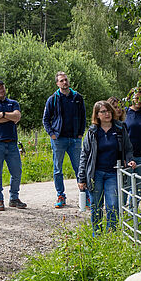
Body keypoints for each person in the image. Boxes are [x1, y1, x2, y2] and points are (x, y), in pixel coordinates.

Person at [78, 100, 136, 234]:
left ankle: (112, 234)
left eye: (109, 110)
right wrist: (81, 177)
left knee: (113, 205)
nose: (107, 114)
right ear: (97, 115)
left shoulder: (120, 128)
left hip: (113, 173)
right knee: (96, 206)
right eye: (103, 112)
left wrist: (130, 160)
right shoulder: (92, 132)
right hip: (95, 173)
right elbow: (84, 155)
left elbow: (128, 149)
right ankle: (97, 234)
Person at [43, 71, 87, 209]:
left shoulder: (77, 97)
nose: (64, 82)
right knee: (58, 169)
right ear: (57, 83)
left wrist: (80, 134)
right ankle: (60, 195)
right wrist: (52, 134)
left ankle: (85, 196)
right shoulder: (53, 99)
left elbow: (83, 117)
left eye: (66, 80)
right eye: (61, 81)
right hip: (58, 139)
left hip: (74, 139)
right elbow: (45, 119)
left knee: (79, 167)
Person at [0, 78, 26, 211]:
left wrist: (2, 114)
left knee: (17, 171)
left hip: (12, 143)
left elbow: (17, 116)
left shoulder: (13, 103)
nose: (1, 90)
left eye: (2, 87)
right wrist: (10, 117)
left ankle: (14, 198)